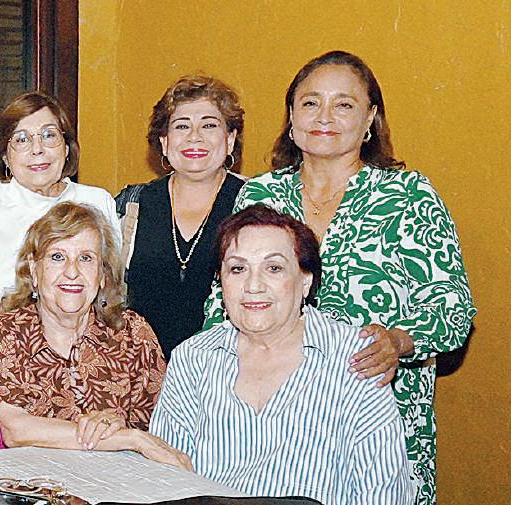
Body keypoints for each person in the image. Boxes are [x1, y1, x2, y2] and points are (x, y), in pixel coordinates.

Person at [203, 51, 476, 505]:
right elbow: (222, 297)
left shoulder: (408, 196)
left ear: (370, 119)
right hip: (266, 421)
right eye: (310, 103)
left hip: (377, 414)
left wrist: (398, 342)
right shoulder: (260, 193)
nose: (324, 116)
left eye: (344, 104)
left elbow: (453, 309)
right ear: (292, 118)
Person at [140, 205, 413, 504]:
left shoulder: (357, 358)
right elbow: (166, 482)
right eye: (238, 269)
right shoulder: (192, 359)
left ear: (306, 280)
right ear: (221, 282)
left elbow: (382, 492)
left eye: (274, 268)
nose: (253, 286)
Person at [0, 202, 165, 450]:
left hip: (123, 473)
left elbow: (163, 427)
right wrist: (126, 438)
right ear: (33, 269)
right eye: (57, 257)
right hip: (34, 474)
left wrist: (122, 427)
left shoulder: (134, 335)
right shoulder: (3, 334)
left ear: (102, 274)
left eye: (85, 258)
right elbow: (16, 429)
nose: (72, 272)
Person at [0, 92, 119, 354]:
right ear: (5, 157)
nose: (37, 149)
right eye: (21, 139)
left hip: (82, 361)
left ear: (66, 148)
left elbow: (111, 293)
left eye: (49, 135)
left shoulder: (97, 202)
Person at [116, 75, 248, 359]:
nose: (194, 136)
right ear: (164, 142)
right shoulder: (131, 204)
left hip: (230, 369)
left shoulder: (255, 202)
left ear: (230, 139)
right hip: (142, 372)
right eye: (182, 126)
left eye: (209, 125)